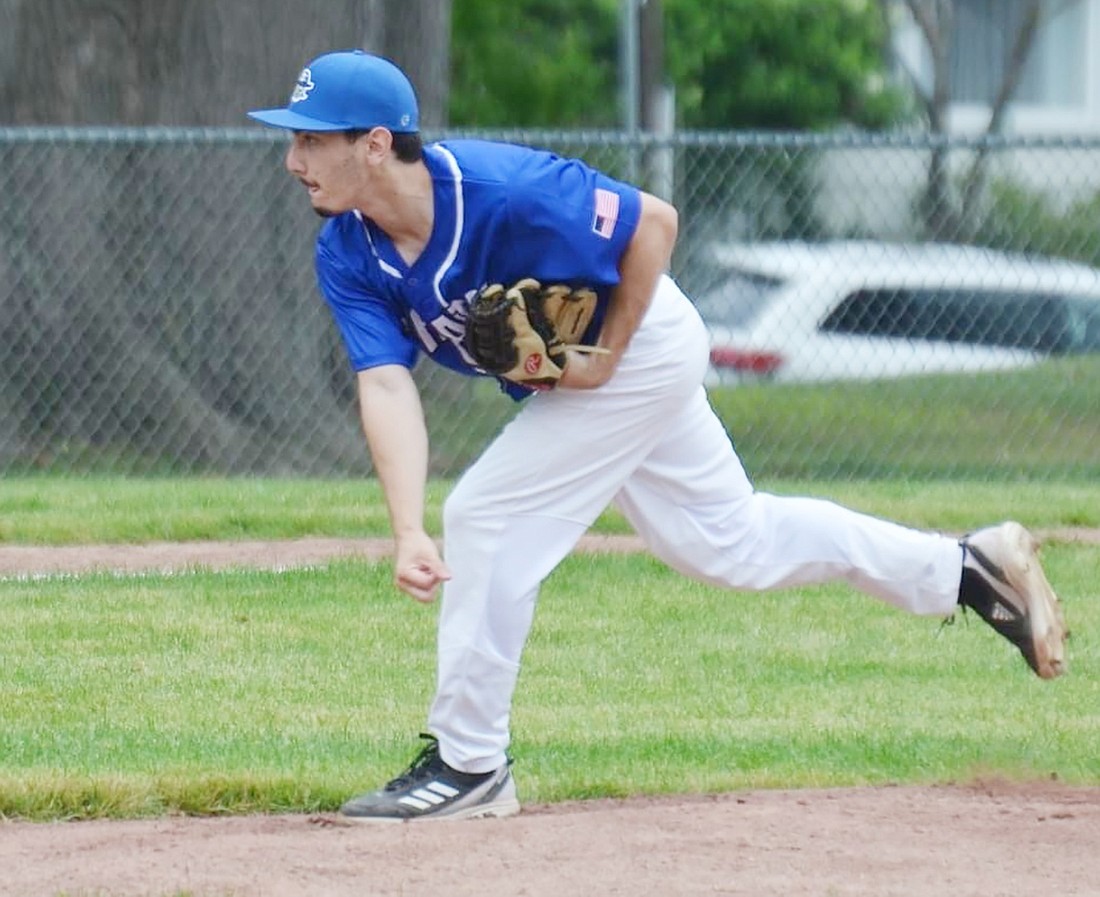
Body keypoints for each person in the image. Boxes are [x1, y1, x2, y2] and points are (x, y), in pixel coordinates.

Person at [248, 50, 1068, 823]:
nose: (295, 160)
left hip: (644, 345)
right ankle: (964, 569)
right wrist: (404, 526)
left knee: (488, 516)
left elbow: (654, 224)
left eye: (313, 139)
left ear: (377, 143)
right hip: (601, 372)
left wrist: (607, 356)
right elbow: (386, 383)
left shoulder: (502, 188)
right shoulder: (347, 251)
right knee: (730, 541)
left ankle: (468, 765)